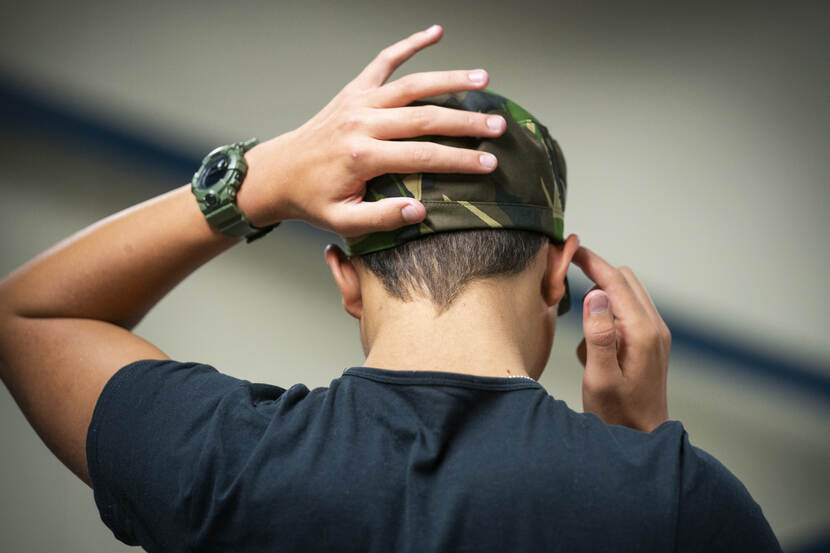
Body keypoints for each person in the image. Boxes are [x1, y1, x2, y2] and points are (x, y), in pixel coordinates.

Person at [0, 25, 780, 552]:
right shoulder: (683, 504)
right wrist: (641, 456)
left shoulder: (227, 463)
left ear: (345, 280)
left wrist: (262, 178)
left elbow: (26, 313)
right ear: (557, 272)